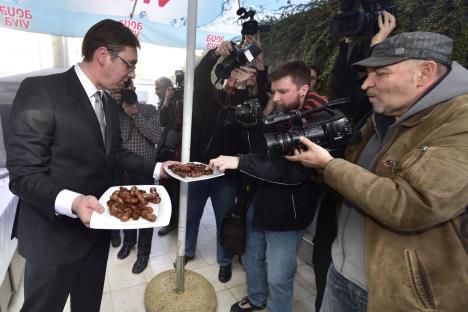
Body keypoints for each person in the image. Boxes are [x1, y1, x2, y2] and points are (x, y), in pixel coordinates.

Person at [286, 32, 468, 311]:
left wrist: (329, 166)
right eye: (368, 73)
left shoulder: (459, 122)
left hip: (401, 296)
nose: (366, 84)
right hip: (341, 274)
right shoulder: (382, 115)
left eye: (380, 73)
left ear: (424, 72)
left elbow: (413, 204)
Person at [6, 19, 173, 312]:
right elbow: (23, 174)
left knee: (88, 305)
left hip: (96, 232)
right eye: (130, 64)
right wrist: (74, 202)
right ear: (103, 56)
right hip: (52, 236)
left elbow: (116, 153)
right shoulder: (42, 91)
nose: (132, 74)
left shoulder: (108, 102)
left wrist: (159, 169)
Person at [210, 60, 323, 312]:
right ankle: (257, 298)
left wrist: (239, 161)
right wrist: (252, 126)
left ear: (303, 90)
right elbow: (261, 152)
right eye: (274, 92)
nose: (277, 98)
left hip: (288, 212)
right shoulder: (280, 114)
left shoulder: (317, 119)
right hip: (259, 200)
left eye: (283, 92)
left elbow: (289, 170)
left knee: (279, 276)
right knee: (251, 258)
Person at [186, 37, 268, 283]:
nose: (236, 76)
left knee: (224, 220)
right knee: (191, 215)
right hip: (198, 171)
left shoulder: (248, 107)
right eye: (233, 72)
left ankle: (224, 260)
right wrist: (215, 54)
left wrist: (252, 80)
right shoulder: (209, 98)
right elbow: (200, 75)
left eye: (243, 74)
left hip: (226, 177)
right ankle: (187, 251)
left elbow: (264, 99)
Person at [114, 82, 162, 274]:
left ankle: (143, 253)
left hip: (144, 170)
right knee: (125, 208)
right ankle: (129, 242)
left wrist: (134, 113)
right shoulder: (113, 111)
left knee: (144, 212)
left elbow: (155, 136)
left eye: (128, 87)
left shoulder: (149, 109)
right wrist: (114, 105)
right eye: (121, 89)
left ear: (133, 88)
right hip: (122, 170)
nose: (126, 91)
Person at [154, 76, 179, 236]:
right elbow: (162, 122)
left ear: (167, 88)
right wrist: (167, 102)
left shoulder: (179, 102)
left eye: (158, 88)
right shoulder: (164, 103)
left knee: (176, 189)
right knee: (166, 187)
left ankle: (175, 220)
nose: (156, 91)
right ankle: (170, 218)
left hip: (177, 151)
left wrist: (171, 101)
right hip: (165, 150)